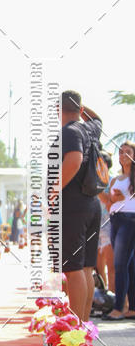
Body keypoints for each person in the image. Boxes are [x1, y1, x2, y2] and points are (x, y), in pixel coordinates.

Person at [60, 91, 103, 322]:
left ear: (59, 109)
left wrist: (52, 190)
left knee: (73, 268)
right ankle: (83, 326)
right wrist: (82, 108)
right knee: (85, 268)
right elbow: (98, 119)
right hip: (92, 204)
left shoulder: (70, 131)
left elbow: (74, 159)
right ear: (80, 108)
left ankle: (73, 331)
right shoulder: (90, 128)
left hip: (73, 205)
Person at [106, 141, 135, 320]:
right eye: (121, 152)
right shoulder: (116, 179)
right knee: (130, 265)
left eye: (128, 151)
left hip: (129, 220)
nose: (123, 155)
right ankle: (132, 307)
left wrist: (123, 197)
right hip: (115, 219)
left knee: (119, 264)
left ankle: (118, 308)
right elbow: (109, 202)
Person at [96, 152, 115, 295]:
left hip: (109, 225)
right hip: (95, 225)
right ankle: (102, 296)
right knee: (97, 266)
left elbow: (109, 202)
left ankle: (113, 299)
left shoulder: (113, 182)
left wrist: (98, 187)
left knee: (111, 265)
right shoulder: (91, 181)